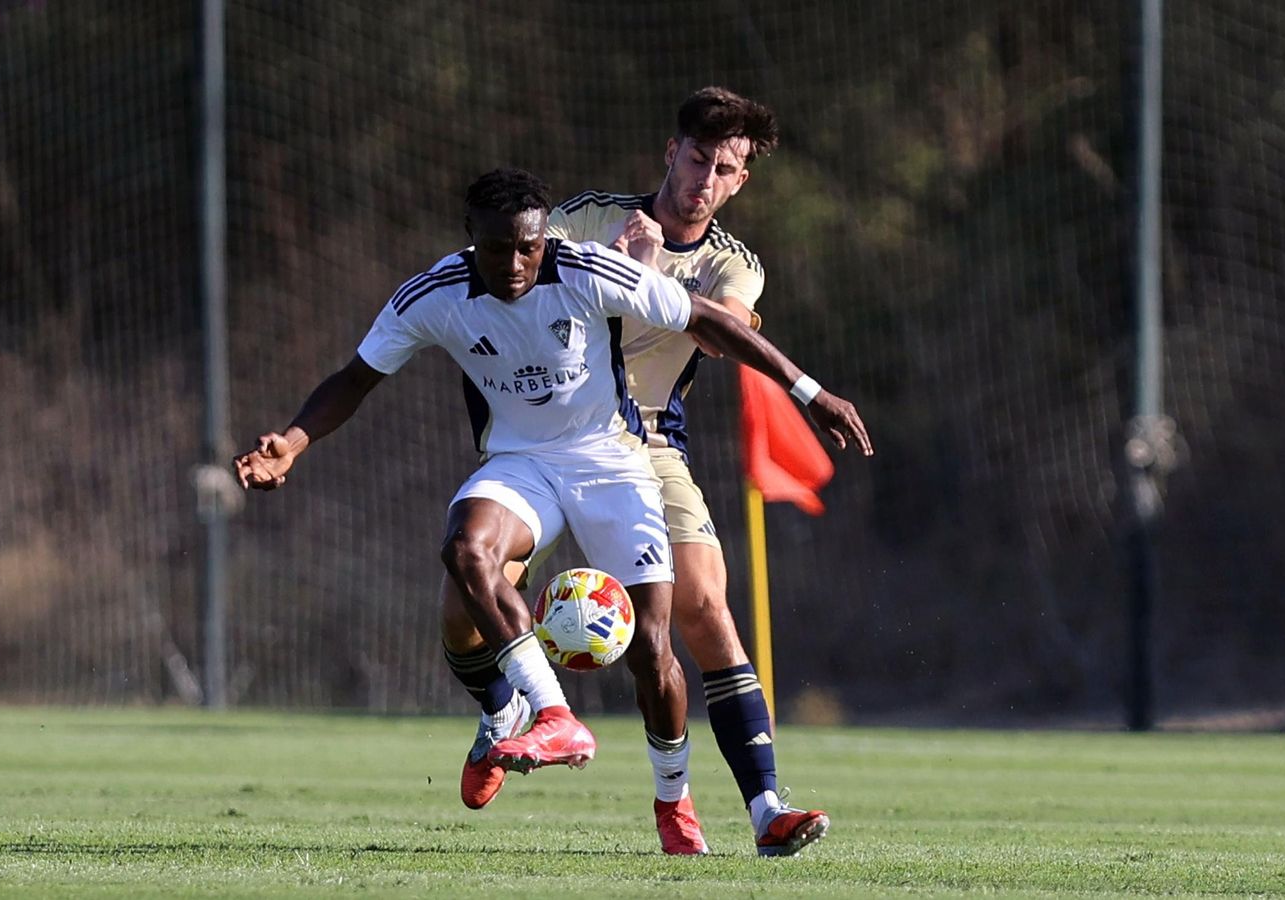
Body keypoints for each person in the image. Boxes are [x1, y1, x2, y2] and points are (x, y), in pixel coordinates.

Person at [235, 167, 871, 852]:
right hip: (521, 463)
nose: (515, 264)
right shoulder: (435, 294)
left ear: (546, 238)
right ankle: (550, 712)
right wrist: (292, 443)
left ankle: (674, 804)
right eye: (497, 248)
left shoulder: (587, 269)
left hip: (612, 462)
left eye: (529, 247)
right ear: (470, 237)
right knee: (464, 550)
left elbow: (710, 320)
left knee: (652, 647)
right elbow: (356, 377)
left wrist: (811, 394)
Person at [443, 87, 852, 857]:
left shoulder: (733, 264)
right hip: (542, 440)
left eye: (724, 169)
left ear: (740, 182)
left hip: (647, 443)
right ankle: (503, 707)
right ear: (671, 152)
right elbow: (515, 288)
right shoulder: (590, 217)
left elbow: (722, 333)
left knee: (704, 608)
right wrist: (610, 264)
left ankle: (764, 809)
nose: (704, 179)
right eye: (697, 158)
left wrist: (636, 274)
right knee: (462, 612)